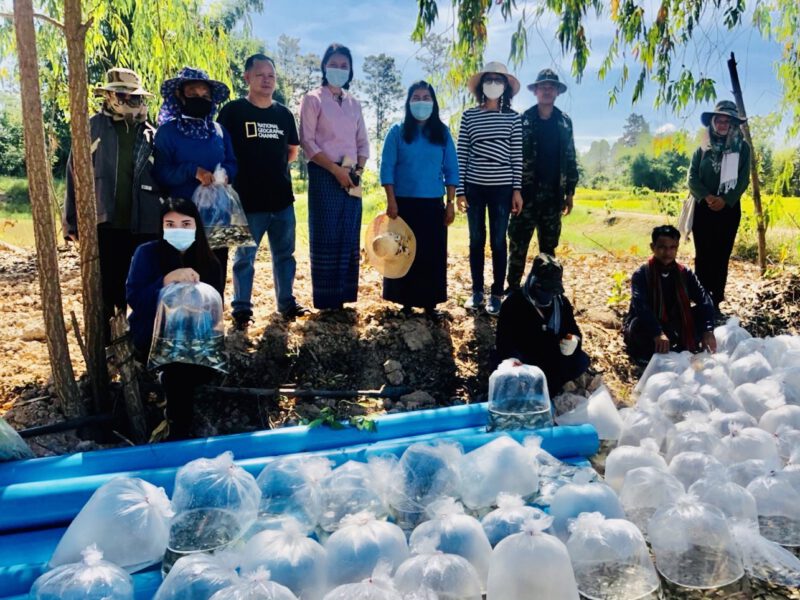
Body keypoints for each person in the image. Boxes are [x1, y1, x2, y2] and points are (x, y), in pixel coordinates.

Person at [63, 67, 161, 343]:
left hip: (145, 225)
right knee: (109, 289)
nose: (130, 101)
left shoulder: (151, 133)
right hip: (107, 224)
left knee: (143, 287)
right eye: (123, 95)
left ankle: (142, 346)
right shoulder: (92, 128)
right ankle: (108, 346)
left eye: (135, 96)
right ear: (109, 95)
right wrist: (71, 221)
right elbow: (75, 175)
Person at [217, 54, 309, 329]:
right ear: (247, 78)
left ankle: (286, 303)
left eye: (271, 75)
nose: (267, 80)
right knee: (244, 257)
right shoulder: (233, 112)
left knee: (285, 255)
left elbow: (292, 151)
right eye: (260, 75)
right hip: (246, 200)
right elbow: (220, 148)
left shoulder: (283, 114)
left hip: (281, 200)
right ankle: (242, 308)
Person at [126, 197, 223, 440]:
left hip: (196, 337)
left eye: (185, 223)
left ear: (196, 226)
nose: (177, 230)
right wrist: (167, 281)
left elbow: (214, 309)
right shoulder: (146, 254)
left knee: (194, 369)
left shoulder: (209, 261)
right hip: (153, 335)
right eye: (170, 224)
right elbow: (135, 299)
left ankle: (184, 425)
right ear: (161, 227)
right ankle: (177, 431)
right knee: (179, 370)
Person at [152, 66, 237, 291]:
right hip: (182, 217)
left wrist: (225, 174)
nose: (199, 98)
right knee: (183, 275)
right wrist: (192, 171)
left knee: (215, 270)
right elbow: (161, 173)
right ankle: (182, 322)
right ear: (180, 96)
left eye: (204, 95)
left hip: (217, 215)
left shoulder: (219, 131)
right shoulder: (168, 132)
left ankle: (213, 318)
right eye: (193, 93)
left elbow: (232, 162)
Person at [379, 80, 459, 320]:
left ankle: (429, 303)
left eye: (426, 97)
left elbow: (451, 170)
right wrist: (391, 201)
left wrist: (450, 203)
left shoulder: (442, 133)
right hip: (403, 205)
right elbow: (387, 168)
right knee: (403, 253)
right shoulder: (397, 131)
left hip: (433, 204)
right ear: (408, 102)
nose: (421, 102)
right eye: (416, 97)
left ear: (433, 103)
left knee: (430, 255)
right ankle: (403, 302)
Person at [299, 43, 369, 310]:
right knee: (327, 233)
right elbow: (308, 141)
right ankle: (327, 299)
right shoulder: (313, 99)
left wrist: (357, 171)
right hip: (324, 172)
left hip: (352, 174)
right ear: (324, 67)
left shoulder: (354, 103)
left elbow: (363, 142)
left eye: (344, 66)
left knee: (349, 231)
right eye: (334, 64)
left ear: (350, 71)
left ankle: (345, 295)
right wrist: (335, 170)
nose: (338, 70)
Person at [456, 61, 523, 316]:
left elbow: (516, 155)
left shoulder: (513, 119)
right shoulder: (469, 116)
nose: (493, 84)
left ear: (505, 87)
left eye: (498, 80)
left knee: (498, 241)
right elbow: (462, 153)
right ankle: (476, 291)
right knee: (476, 240)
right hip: (474, 187)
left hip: (502, 189)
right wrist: (460, 191)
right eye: (489, 79)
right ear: (481, 86)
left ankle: (496, 293)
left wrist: (517, 190)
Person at [507, 68, 579, 292]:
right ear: (536, 91)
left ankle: (544, 288)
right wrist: (514, 190)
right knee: (518, 244)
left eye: (551, 87)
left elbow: (570, 157)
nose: (547, 90)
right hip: (525, 195)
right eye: (543, 86)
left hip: (553, 196)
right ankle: (513, 288)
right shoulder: (523, 120)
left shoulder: (565, 122)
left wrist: (570, 193)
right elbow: (512, 156)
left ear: (557, 92)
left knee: (548, 247)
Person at [688, 99, 751, 314]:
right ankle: (701, 298)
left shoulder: (742, 148)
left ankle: (715, 300)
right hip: (704, 208)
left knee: (721, 254)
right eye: (720, 120)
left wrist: (725, 199)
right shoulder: (702, 147)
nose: (723, 125)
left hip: (728, 209)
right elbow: (692, 177)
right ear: (713, 122)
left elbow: (743, 179)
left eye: (728, 121)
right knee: (703, 253)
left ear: (734, 124)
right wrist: (707, 197)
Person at [495, 253, 589, 394]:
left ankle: (552, 386)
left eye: (552, 290)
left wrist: (574, 341)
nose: (547, 294)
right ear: (532, 281)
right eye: (543, 289)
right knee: (504, 368)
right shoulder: (513, 303)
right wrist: (513, 358)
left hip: (552, 356)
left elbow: (574, 331)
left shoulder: (561, 303)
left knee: (581, 360)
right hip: (524, 360)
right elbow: (503, 341)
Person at [623, 225, 717, 361]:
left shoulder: (685, 273)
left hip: (675, 322)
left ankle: (679, 345)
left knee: (700, 315)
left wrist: (708, 330)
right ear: (652, 247)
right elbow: (641, 307)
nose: (667, 253)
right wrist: (657, 333)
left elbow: (704, 300)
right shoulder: (642, 274)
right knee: (638, 326)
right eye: (662, 247)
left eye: (672, 248)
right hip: (650, 324)